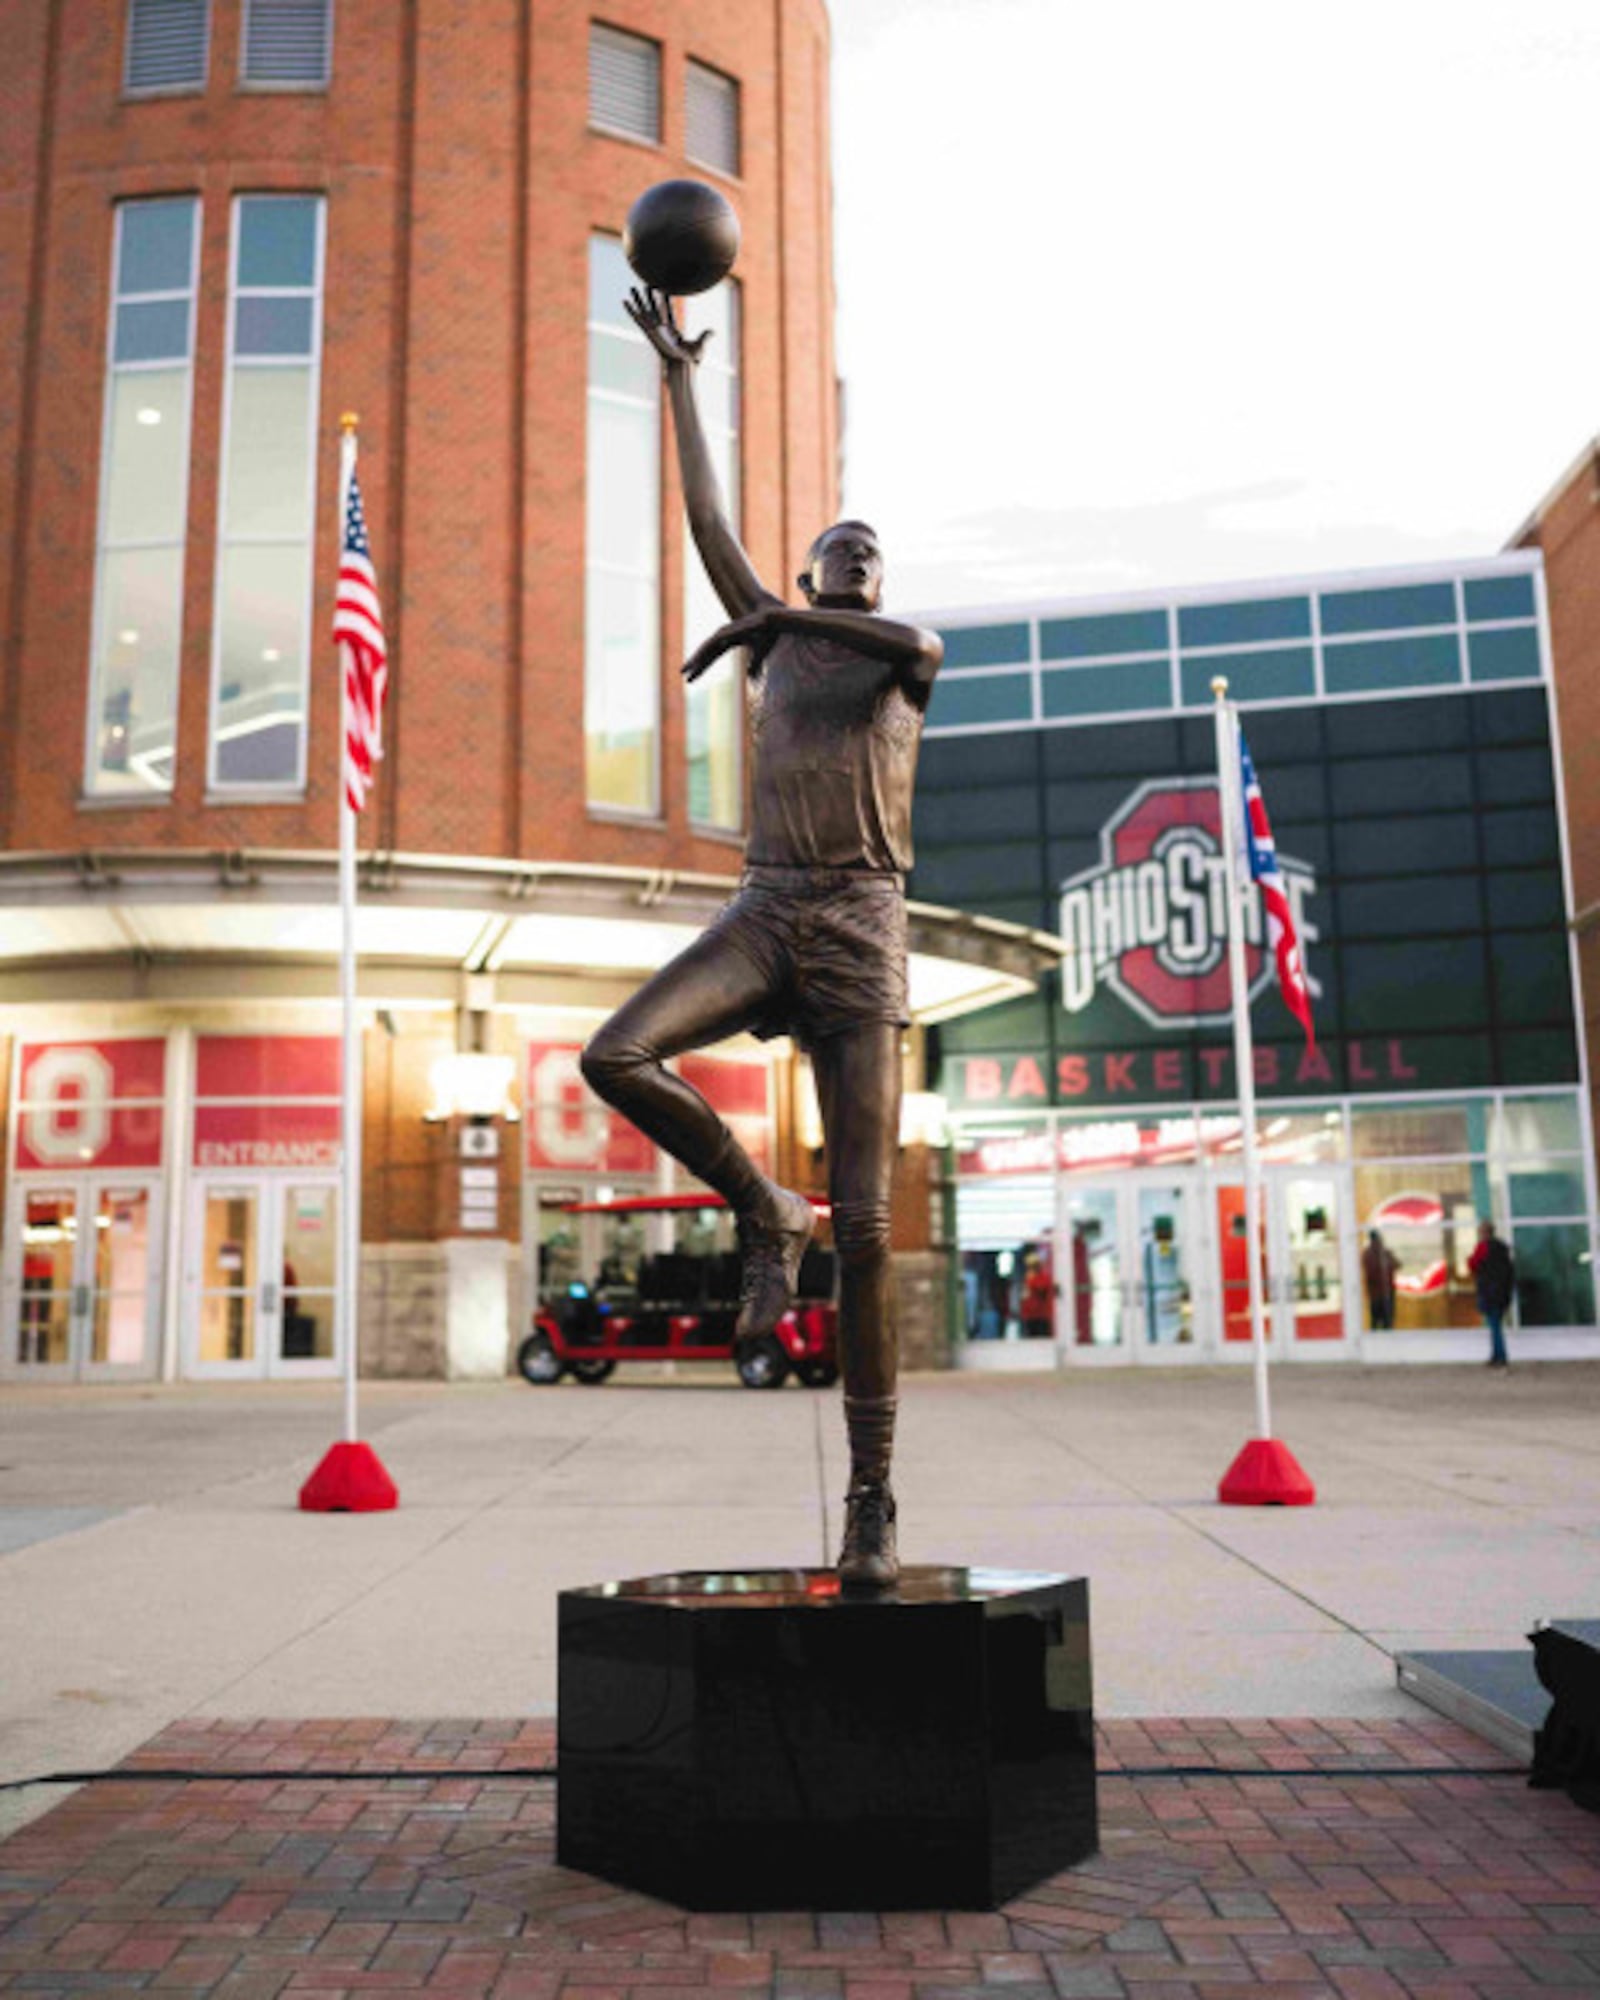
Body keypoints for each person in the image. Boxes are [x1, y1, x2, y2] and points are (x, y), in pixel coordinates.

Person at [579, 286, 943, 1588]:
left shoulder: (886, 655)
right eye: (833, 549)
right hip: (768, 904)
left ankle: (875, 1492)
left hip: (861, 926)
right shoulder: (775, 642)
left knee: (871, 1235)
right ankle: (757, 1204)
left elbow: (924, 639)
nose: (850, 555)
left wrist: (779, 620)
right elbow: (707, 524)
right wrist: (677, 378)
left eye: (866, 549)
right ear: (805, 569)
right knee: (615, 1055)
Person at [1468, 1220, 1515, 1368]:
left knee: (1494, 1326)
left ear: (1484, 1232)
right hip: (1501, 1291)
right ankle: (1497, 1354)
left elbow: (1473, 1264)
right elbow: (1509, 1271)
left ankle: (1499, 1356)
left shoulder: (1483, 1247)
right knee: (1496, 1324)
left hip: (1489, 1291)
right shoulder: (1502, 1248)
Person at [1362, 1228, 1399, 1330]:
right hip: (1378, 1293)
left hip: (1384, 1291)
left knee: (1384, 1321)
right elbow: (1371, 1273)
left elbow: (1397, 1265)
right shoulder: (1370, 1254)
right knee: (1380, 1321)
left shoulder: (1384, 1252)